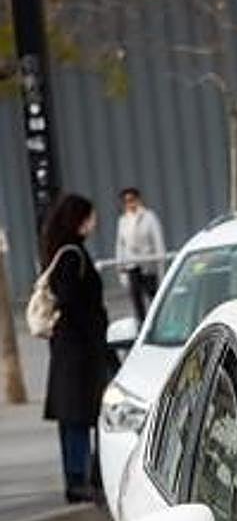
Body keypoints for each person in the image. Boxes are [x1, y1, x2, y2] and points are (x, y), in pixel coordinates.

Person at [41, 194, 113, 503]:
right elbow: (71, 301)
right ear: (79, 220)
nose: (95, 222)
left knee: (77, 417)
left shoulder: (61, 250)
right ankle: (78, 480)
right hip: (79, 351)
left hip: (72, 349)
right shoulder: (72, 255)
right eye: (91, 217)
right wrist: (94, 332)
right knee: (80, 416)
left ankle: (80, 478)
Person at [114, 187, 166, 323]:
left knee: (153, 297)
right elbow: (120, 245)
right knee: (137, 300)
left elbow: (158, 241)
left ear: (138, 200)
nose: (129, 204)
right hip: (132, 265)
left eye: (132, 200)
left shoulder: (149, 217)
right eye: (126, 201)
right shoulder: (123, 220)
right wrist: (121, 269)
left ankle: (157, 323)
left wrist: (161, 266)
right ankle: (141, 326)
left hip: (148, 264)